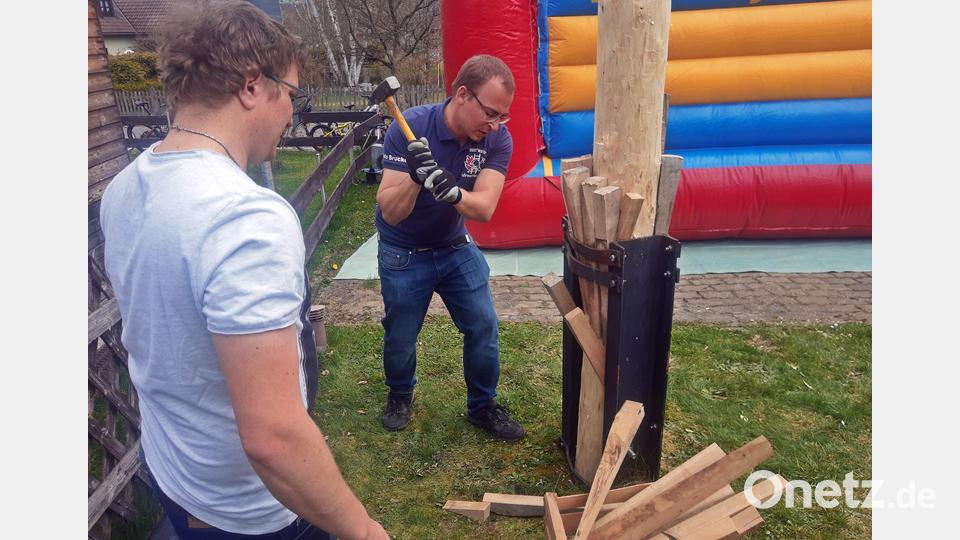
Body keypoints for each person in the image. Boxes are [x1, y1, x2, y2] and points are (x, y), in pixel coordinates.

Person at [99, 2, 388, 538]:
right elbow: (273, 437)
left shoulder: (126, 186)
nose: (292, 116)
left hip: (177, 473)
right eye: (292, 95)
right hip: (251, 512)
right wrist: (365, 531)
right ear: (253, 85)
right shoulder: (244, 217)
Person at [375, 55, 525, 441]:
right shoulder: (409, 128)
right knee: (401, 334)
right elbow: (391, 213)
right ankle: (400, 394)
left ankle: (482, 405)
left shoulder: (496, 139)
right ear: (463, 95)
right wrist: (415, 176)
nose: (494, 124)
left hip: (455, 245)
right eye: (490, 113)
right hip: (403, 250)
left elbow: (485, 207)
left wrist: (454, 192)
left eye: (501, 116)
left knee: (482, 324)